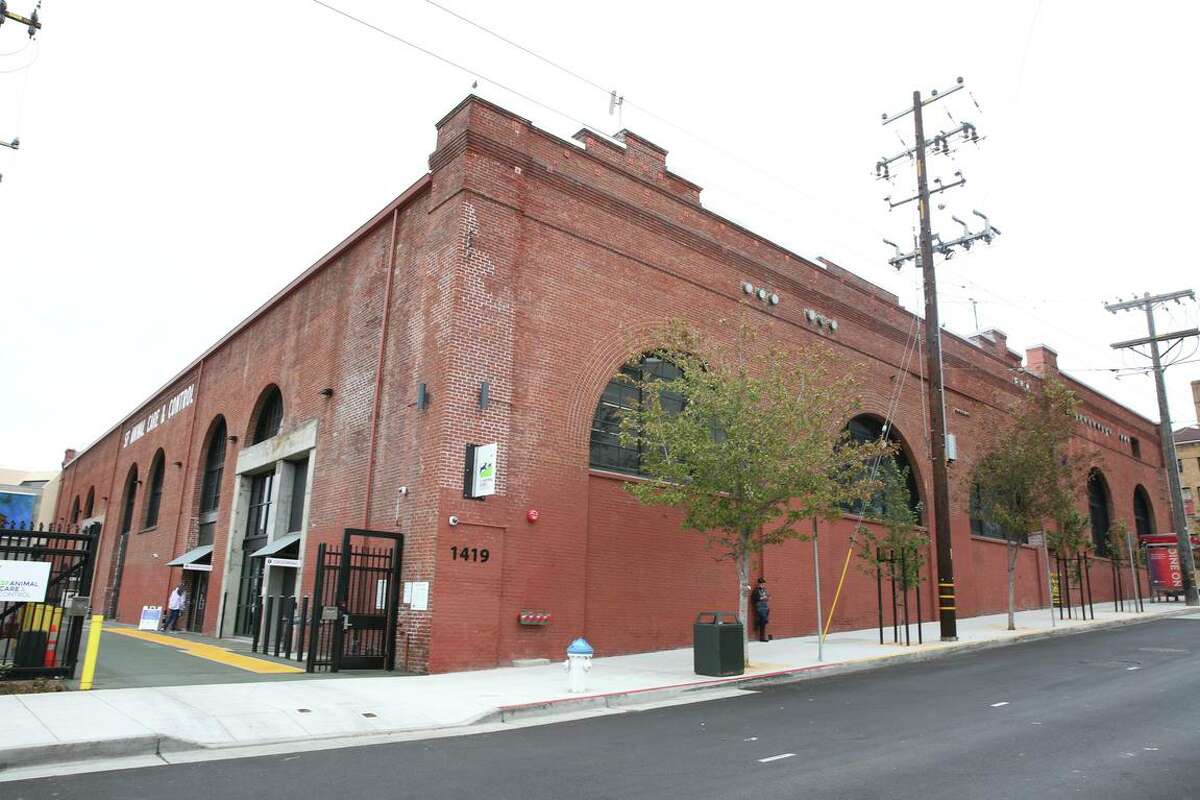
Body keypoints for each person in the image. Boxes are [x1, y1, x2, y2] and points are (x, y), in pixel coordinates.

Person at [752, 577, 771, 642]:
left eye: (763, 584)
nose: (763, 585)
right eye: (762, 584)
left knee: (763, 622)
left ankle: (762, 637)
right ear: (759, 584)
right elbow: (754, 599)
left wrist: (768, 597)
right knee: (764, 619)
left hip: (765, 607)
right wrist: (762, 598)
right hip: (759, 608)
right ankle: (757, 623)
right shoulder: (756, 590)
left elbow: (768, 596)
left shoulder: (764, 590)